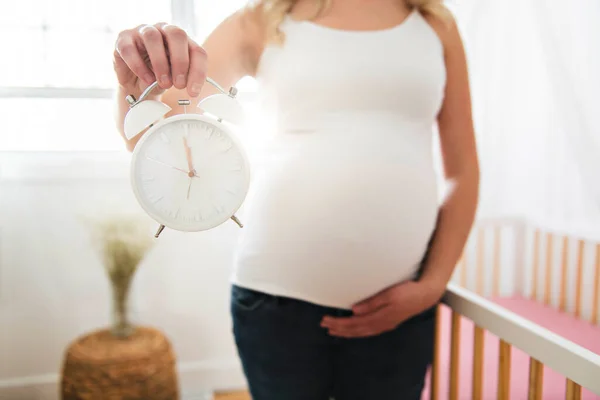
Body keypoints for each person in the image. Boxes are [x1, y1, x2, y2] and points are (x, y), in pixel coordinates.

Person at [113, 0, 479, 398]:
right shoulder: (261, 19)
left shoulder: (435, 25)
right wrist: (136, 88)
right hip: (275, 305)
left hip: (400, 308)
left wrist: (432, 285)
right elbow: (155, 138)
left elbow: (462, 172)